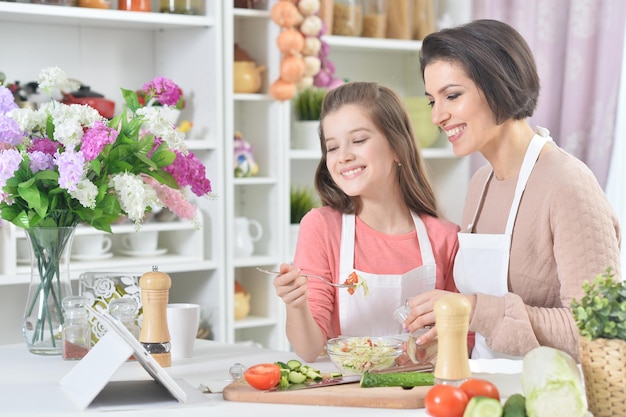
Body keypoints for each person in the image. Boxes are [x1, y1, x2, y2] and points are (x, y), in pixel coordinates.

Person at [404, 19, 621, 361]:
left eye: (453, 96)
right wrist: (449, 333)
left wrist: (475, 309)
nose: (438, 117)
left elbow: (601, 331)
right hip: (483, 395)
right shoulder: (480, 185)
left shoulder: (568, 184)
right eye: (433, 101)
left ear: (497, 86)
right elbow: (489, 329)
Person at [272, 81, 460, 362]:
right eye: (332, 147)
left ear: (398, 147)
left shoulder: (445, 237)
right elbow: (309, 349)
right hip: (347, 394)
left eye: (358, 140)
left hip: (421, 395)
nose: (344, 156)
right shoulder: (322, 227)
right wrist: (295, 304)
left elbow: (465, 344)